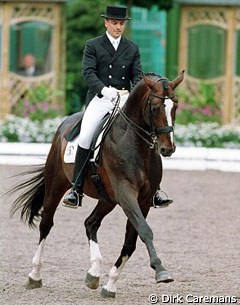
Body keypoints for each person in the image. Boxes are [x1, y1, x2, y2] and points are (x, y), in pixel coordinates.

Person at [63, 5, 173, 209]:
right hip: (100, 98)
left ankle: (155, 189)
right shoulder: (93, 45)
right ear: (106, 22)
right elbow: (89, 73)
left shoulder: (131, 47)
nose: (118, 27)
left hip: (123, 97)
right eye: (114, 23)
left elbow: (137, 76)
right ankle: (76, 189)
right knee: (86, 135)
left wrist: (132, 93)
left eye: (121, 23)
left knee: (146, 132)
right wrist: (104, 90)